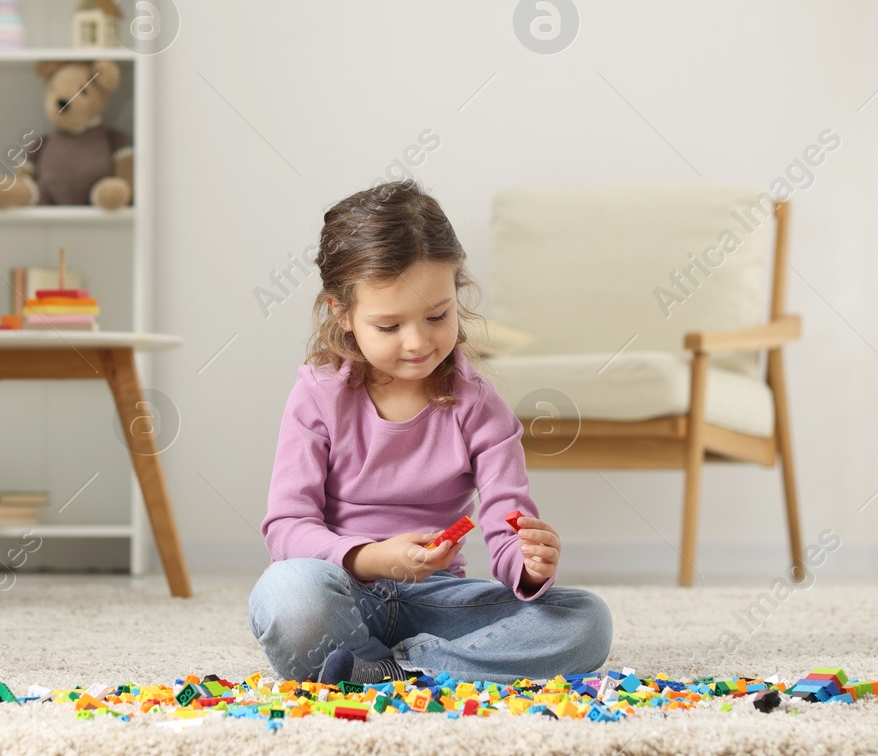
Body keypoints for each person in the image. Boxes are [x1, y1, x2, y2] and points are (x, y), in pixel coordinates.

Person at [248, 180, 613, 684]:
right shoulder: (318, 395)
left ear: (456, 294)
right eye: (389, 326)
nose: (419, 341)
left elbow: (508, 528)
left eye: (437, 315)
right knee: (286, 593)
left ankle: (394, 668)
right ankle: (399, 661)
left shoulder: (480, 407)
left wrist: (529, 564)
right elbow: (287, 529)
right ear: (343, 314)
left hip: (438, 602)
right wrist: (373, 558)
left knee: (587, 623)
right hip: (345, 591)